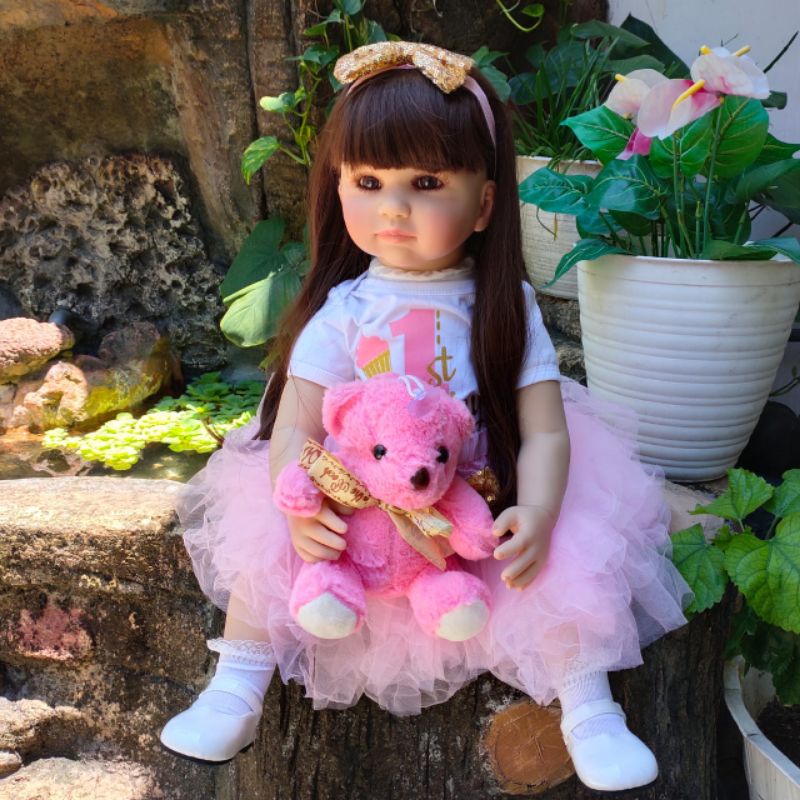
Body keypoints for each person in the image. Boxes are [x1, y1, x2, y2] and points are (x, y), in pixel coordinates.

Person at [160, 41, 691, 792]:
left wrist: (538, 512)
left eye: (427, 183)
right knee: (267, 538)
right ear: (337, 187)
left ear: (484, 204)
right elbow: (296, 428)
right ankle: (236, 687)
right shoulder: (344, 312)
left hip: (477, 501)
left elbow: (545, 429)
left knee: (561, 556)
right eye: (368, 182)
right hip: (360, 506)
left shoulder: (504, 308)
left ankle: (589, 707)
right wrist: (300, 503)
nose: (393, 207)